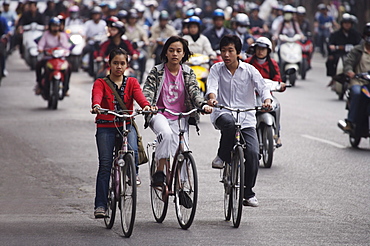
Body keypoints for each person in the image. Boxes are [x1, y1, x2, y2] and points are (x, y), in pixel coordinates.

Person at [206, 34, 273, 207]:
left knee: (252, 153)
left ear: (238, 53)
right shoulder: (216, 69)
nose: (226, 55)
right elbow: (211, 87)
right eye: (223, 51)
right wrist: (212, 98)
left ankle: (248, 192)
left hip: (246, 118)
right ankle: (222, 156)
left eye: (230, 51)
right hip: (223, 113)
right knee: (228, 123)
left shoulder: (250, 70)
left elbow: (263, 87)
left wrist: (267, 101)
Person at [142, 36, 212, 188]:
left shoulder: (188, 72)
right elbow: (147, 92)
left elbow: (195, 92)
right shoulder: (157, 71)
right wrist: (148, 105)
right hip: (159, 114)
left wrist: (203, 105)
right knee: (166, 134)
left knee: (183, 151)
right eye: (171, 50)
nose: (174, 54)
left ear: (184, 54)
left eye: (178, 51)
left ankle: (183, 187)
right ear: (165, 53)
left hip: (181, 116)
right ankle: (159, 172)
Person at [91, 48, 151, 218]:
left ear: (127, 65)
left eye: (122, 63)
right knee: (105, 165)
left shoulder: (131, 82)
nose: (118, 66)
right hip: (105, 127)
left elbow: (140, 97)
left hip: (125, 125)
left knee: (131, 150)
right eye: (115, 63)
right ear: (109, 64)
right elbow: (97, 96)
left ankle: (133, 174)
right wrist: (96, 106)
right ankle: (101, 205)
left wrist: (146, 106)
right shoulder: (101, 83)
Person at [245, 37, 285, 147]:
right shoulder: (248, 63)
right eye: (258, 48)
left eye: (263, 49)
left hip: (267, 96)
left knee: (277, 106)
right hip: (251, 96)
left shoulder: (272, 63)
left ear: (268, 51)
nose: (260, 51)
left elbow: (277, 77)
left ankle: (277, 134)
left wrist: (280, 84)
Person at [342, 23, 370, 132]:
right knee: (357, 94)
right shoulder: (357, 50)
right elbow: (348, 62)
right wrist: (349, 71)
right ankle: (350, 121)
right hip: (358, 81)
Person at [34, 17, 71, 95]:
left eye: (57, 26)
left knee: (69, 67)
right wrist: (40, 49)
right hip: (48, 58)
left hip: (60, 58)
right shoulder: (46, 34)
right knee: (38, 65)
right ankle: (39, 85)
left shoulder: (62, 35)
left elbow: (66, 47)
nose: (55, 28)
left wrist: (66, 51)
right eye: (53, 26)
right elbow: (41, 45)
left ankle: (66, 88)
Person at [326, 13, 362, 86]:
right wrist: (333, 48)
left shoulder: (355, 34)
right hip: (339, 53)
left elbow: (360, 44)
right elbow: (330, 44)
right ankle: (334, 77)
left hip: (352, 54)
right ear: (342, 24)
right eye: (345, 23)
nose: (347, 25)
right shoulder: (336, 34)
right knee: (330, 60)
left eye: (349, 23)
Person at [82, 6, 106, 77]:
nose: (96, 16)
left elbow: (106, 32)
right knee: (86, 50)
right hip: (91, 42)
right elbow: (84, 31)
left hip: (100, 42)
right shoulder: (88, 23)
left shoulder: (103, 23)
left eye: (97, 14)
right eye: (94, 14)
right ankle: (86, 65)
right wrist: (84, 36)